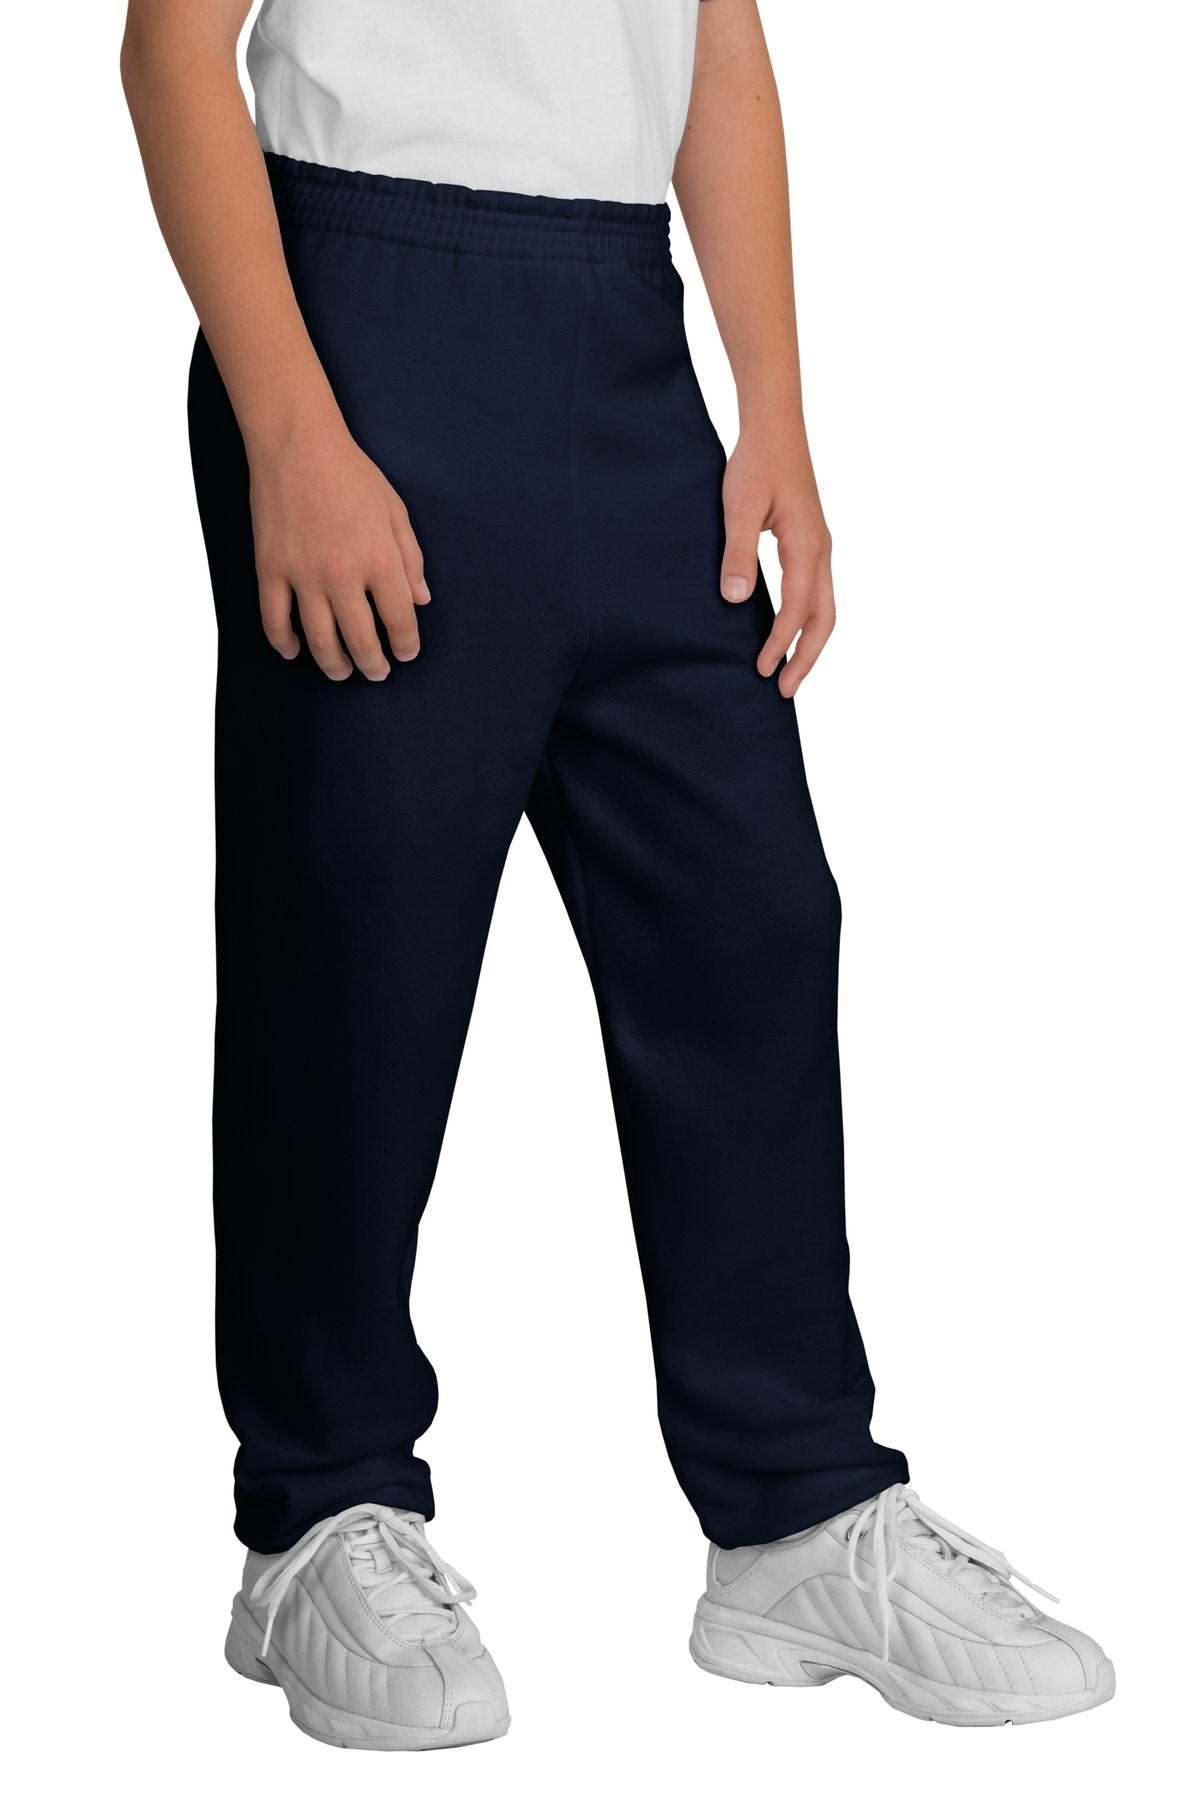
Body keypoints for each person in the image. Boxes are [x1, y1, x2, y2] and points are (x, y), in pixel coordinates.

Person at [121, 0, 1112, 1747]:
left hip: (625, 329)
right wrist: (290, 428)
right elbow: (170, 49)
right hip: (364, 309)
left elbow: (715, 42)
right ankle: (316, 1512)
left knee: (747, 920)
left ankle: (794, 1510)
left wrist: (773, 408)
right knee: (357, 941)